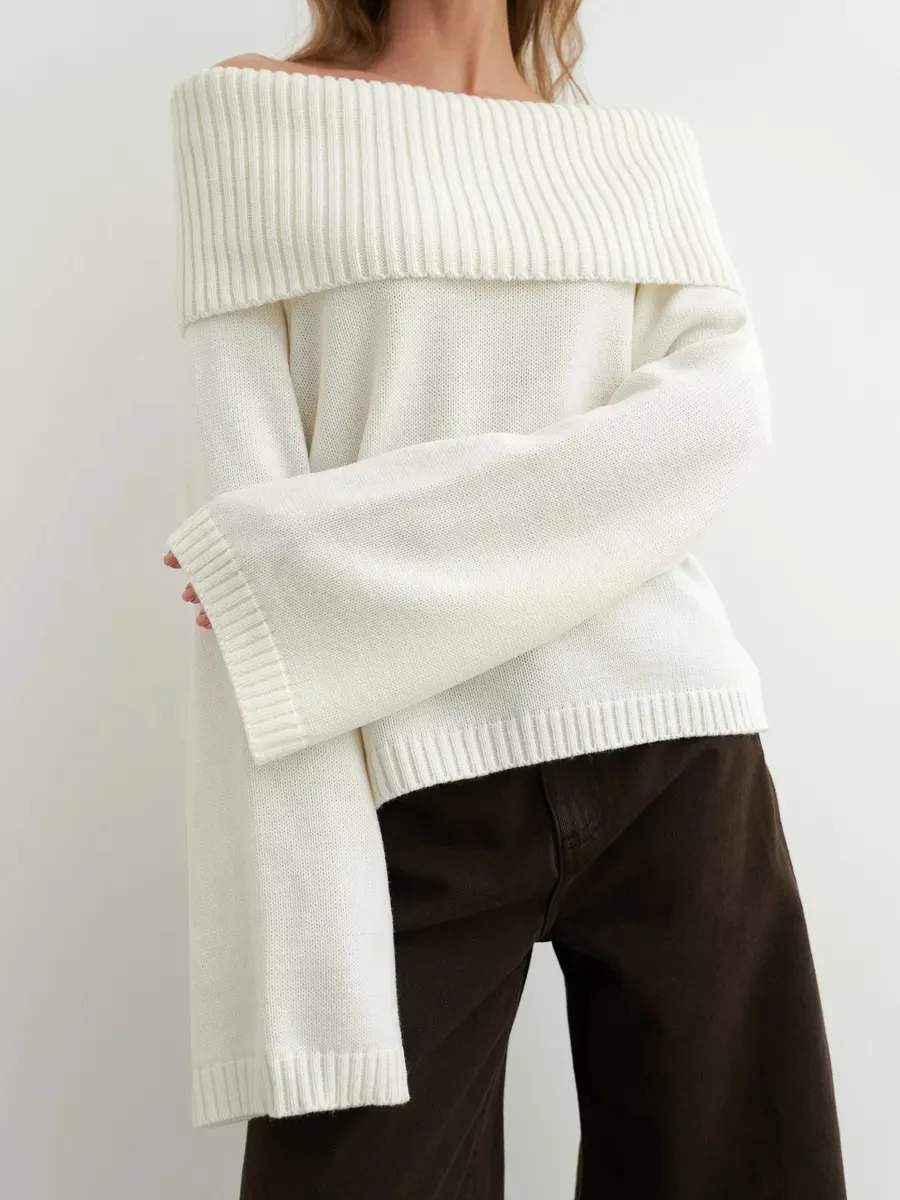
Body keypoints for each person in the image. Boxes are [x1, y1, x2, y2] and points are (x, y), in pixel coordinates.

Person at [163, 1, 847, 1196]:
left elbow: (719, 424)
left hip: (677, 757)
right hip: (406, 789)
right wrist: (283, 577)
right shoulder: (254, 111)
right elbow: (251, 546)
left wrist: (320, 557)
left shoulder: (633, 157)